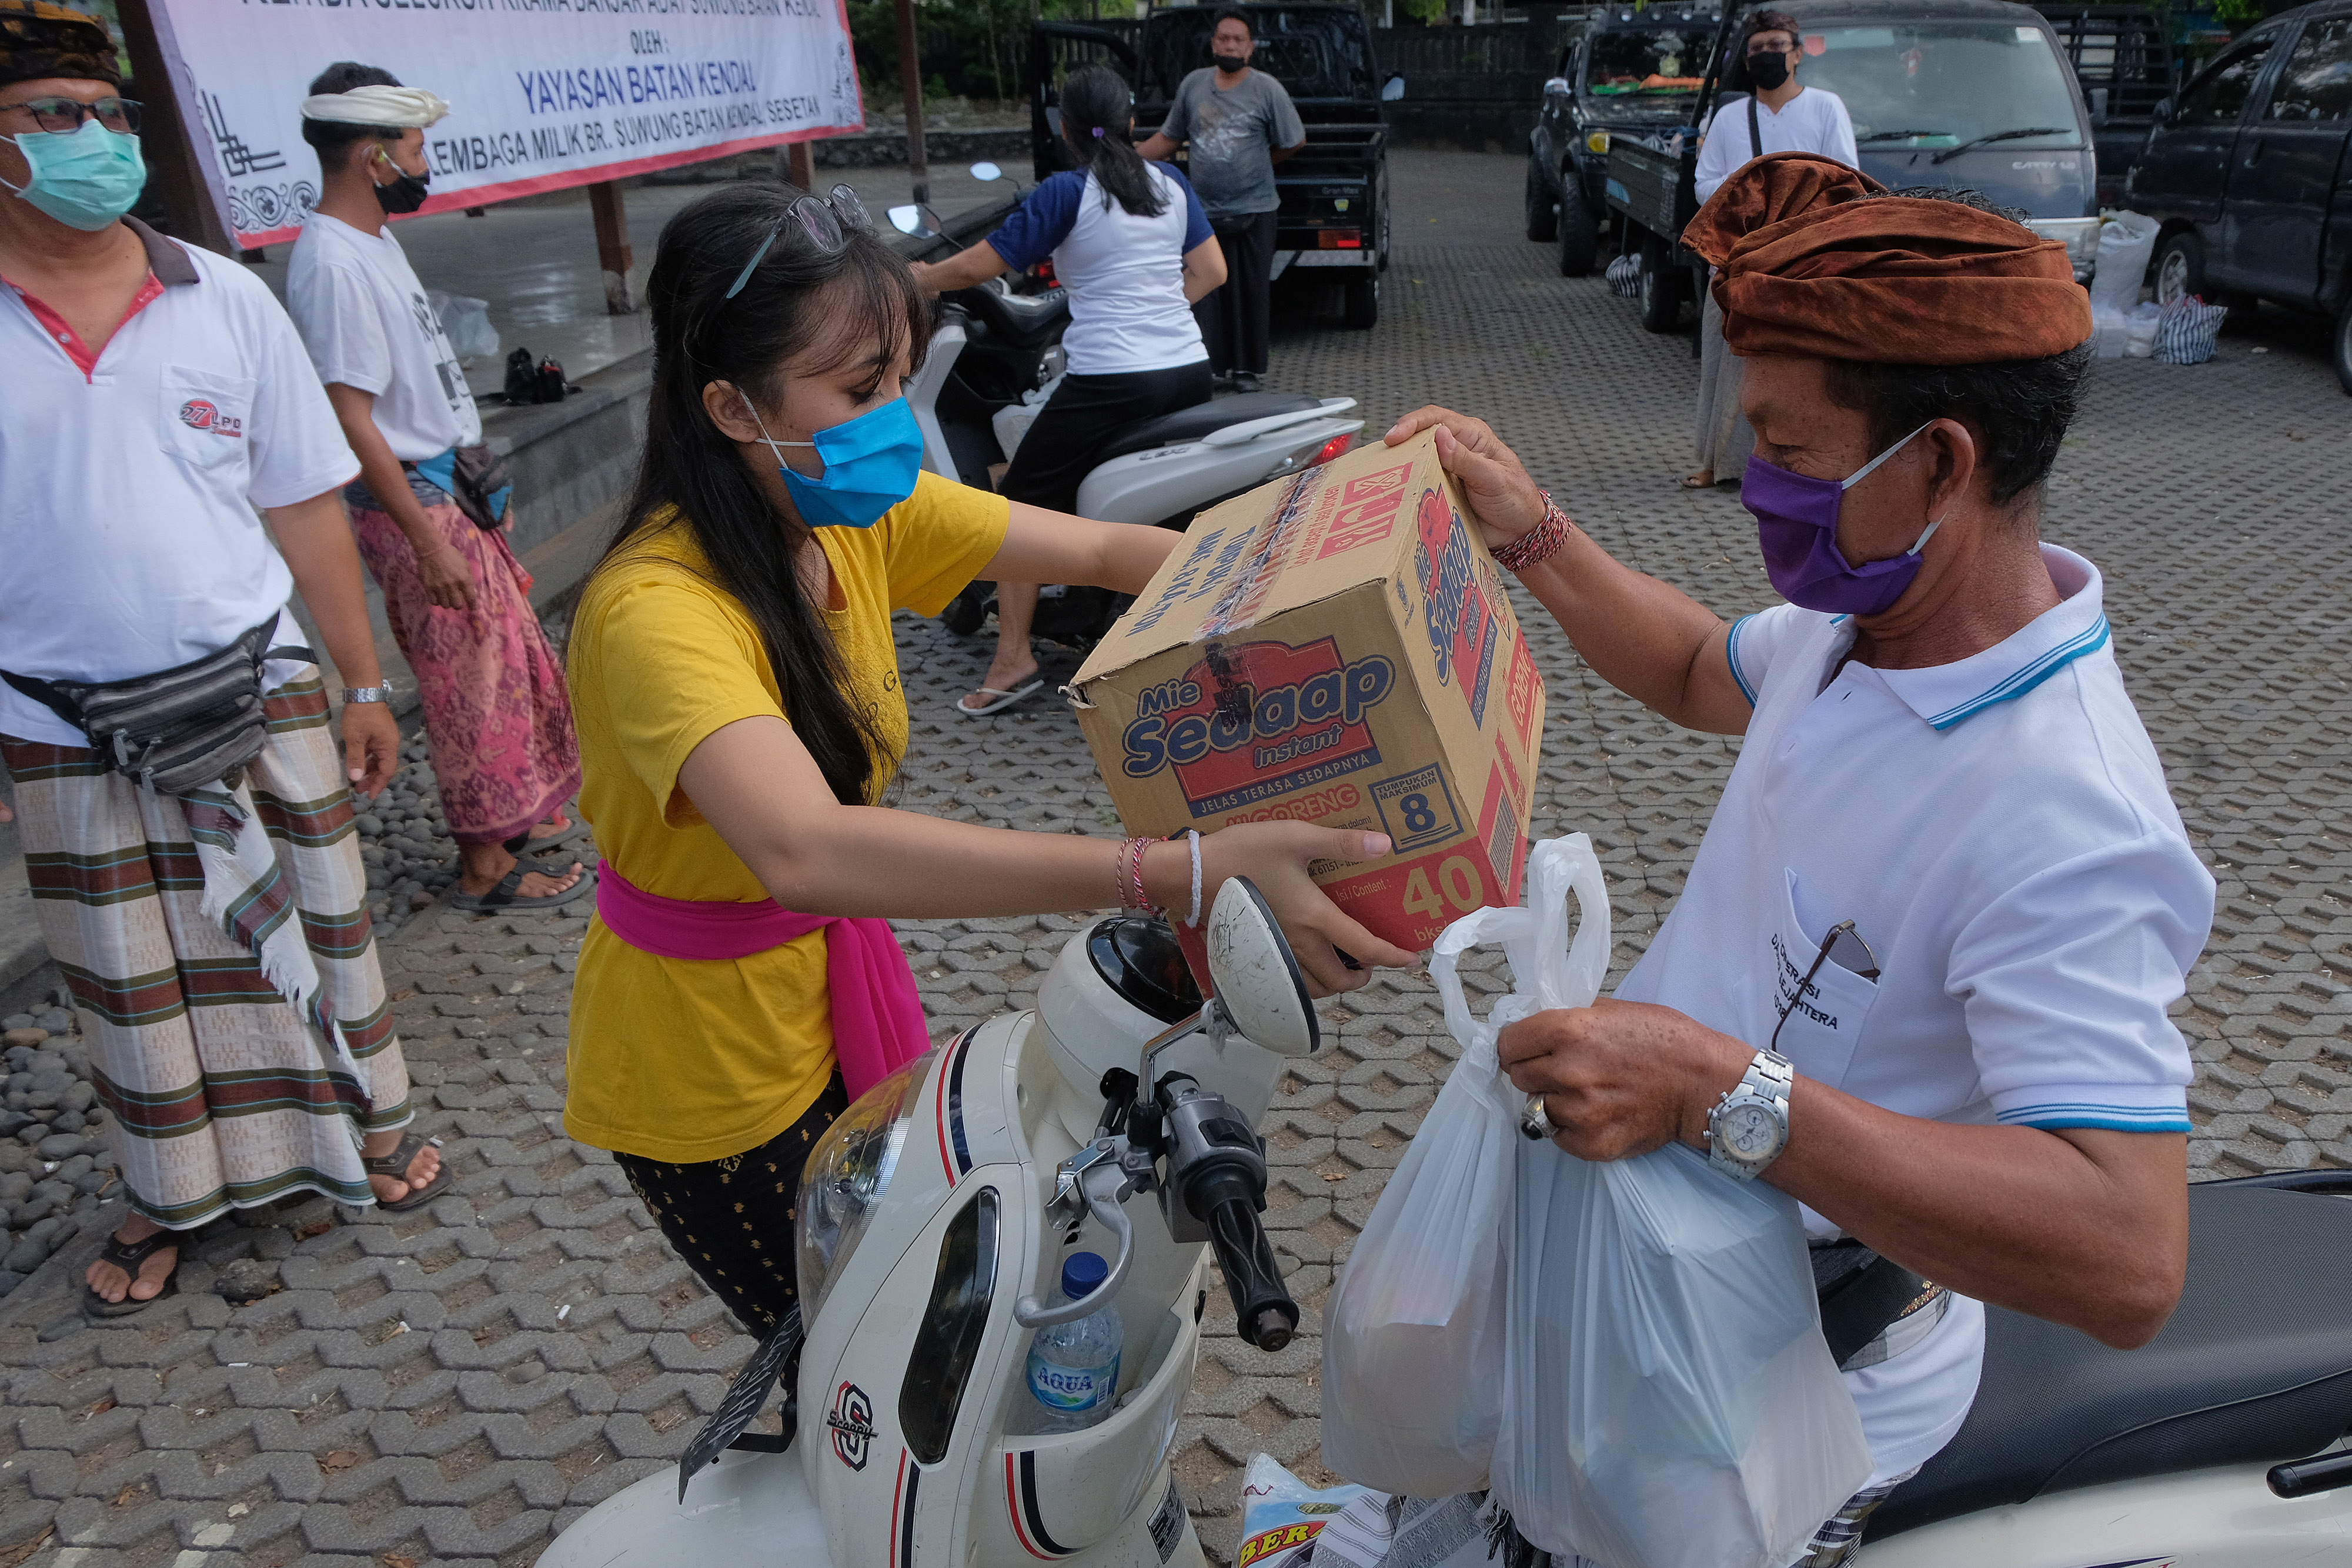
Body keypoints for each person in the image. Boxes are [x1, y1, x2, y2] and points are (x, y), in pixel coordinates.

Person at [1391, 155, 2209, 1561]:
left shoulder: (2061, 805)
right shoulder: (1865, 628)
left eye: (1787, 447)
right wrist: (1529, 528)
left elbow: (2124, 1255)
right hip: (1653, 1277)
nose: (1755, 482)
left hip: (1792, 1377)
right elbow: (1704, 666)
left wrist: (1715, 1090)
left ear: (1940, 461)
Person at [560, 180, 1414, 1336]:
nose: (889, 420)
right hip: (705, 1066)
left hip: (824, 996)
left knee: (906, 1324)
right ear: (727, 405)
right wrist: (1169, 868)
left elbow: (1113, 547)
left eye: (894, 380)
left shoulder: (849, 516)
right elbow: (807, 849)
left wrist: (1335, 573)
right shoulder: (656, 610)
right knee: (846, 1354)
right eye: (858, 390)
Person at [0, 2, 446, 1316]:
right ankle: (169, 1194)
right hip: (61, 720)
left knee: (318, 936)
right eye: (54, 116)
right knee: (133, 984)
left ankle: (365, 1132)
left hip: (261, 688)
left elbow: (306, 502)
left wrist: (364, 684)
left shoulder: (224, 294)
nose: (95, 140)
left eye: (109, 112)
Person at [287, 62, 589, 914]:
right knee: (467, 686)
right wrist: (425, 536)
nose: (426, 167)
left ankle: (509, 823)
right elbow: (351, 417)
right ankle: (485, 863)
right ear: (373, 156)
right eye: (417, 150)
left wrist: (475, 492)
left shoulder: (370, 243)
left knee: (502, 673)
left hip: (446, 494)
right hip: (413, 507)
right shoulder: (333, 263)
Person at [912, 64, 1226, 718]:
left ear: (1063, 128)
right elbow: (1212, 271)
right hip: (1188, 370)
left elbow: (977, 266)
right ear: (1133, 122)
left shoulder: (1067, 191)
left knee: (1018, 509)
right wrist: (1163, 313)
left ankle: (1014, 658)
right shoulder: (1169, 182)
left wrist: (917, 277)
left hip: (1114, 379)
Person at [1685, 8, 1858, 490]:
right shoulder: (1728, 116)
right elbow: (1704, 184)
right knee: (1724, 363)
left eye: (1776, 46)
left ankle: (1795, 468)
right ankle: (1715, 463)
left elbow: (1845, 179)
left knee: (1798, 368)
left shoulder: (1826, 108)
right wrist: (1755, 196)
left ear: (1797, 54)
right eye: (1757, 49)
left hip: (1806, 262)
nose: (1767, 56)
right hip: (1739, 260)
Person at [1138, 7, 1304, 394]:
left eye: (1238, 39)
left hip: (1256, 210)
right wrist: (1122, 160)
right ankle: (1206, 367)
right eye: (1223, 38)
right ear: (1213, 44)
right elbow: (1169, 138)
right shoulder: (1194, 85)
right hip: (1202, 213)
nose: (1230, 44)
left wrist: (1262, 162)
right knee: (1204, 292)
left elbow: (1294, 140)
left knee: (1251, 290)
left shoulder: (1268, 90)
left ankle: (1247, 371)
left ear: (1251, 48)